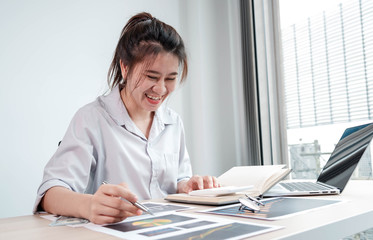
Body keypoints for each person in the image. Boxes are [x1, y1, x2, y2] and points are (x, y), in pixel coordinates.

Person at [33, 12, 219, 224]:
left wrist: (187, 185)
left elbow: (177, 178)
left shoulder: (173, 122)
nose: (160, 88)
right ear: (125, 67)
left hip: (167, 229)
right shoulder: (92, 119)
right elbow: (50, 193)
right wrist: (89, 205)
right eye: (151, 76)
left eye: (170, 78)